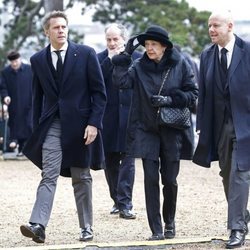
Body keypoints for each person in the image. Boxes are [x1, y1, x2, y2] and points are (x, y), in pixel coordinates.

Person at [19, 10, 107, 243]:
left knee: (81, 177)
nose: (61, 30)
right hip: (52, 125)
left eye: (64, 27)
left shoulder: (86, 54)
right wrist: (37, 128)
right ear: (46, 31)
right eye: (56, 27)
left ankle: (86, 227)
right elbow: (37, 98)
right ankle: (38, 225)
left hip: (81, 125)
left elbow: (99, 93)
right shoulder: (38, 60)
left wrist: (93, 124)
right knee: (48, 174)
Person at [111, 25, 198, 240]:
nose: (149, 48)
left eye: (153, 45)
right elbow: (120, 82)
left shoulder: (181, 63)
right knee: (150, 181)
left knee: (169, 180)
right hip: (146, 130)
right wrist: (125, 55)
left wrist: (169, 100)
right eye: (146, 44)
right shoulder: (139, 65)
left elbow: (193, 94)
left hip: (172, 130)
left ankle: (169, 222)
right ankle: (156, 230)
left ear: (164, 47)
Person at [193, 10, 250, 249]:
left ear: (230, 26)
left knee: (239, 172)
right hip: (220, 126)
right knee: (226, 173)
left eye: (216, 25)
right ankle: (242, 215)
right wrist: (201, 127)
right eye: (209, 26)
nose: (211, 30)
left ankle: (236, 228)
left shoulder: (247, 51)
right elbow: (203, 94)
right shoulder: (206, 55)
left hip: (245, 123)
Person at [97, 23, 141, 219]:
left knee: (128, 161)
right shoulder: (99, 59)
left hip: (131, 117)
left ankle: (125, 203)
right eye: (109, 39)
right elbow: (97, 84)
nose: (112, 43)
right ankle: (116, 199)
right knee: (110, 161)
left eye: (116, 39)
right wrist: (111, 59)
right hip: (107, 118)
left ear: (124, 39)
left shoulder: (137, 59)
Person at [0, 51, 33, 156]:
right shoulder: (5, 72)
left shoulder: (30, 69)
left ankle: (29, 149)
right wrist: (5, 96)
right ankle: (21, 149)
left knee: (29, 124)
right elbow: (3, 87)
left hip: (29, 103)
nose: (14, 63)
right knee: (16, 126)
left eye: (16, 61)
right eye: (12, 62)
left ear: (20, 59)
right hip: (15, 104)